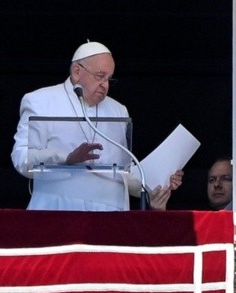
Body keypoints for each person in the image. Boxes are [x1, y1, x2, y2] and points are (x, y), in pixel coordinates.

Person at [11, 41, 181, 211]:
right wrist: (66, 158)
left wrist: (160, 181)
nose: (105, 85)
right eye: (100, 76)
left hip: (112, 215)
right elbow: (22, 158)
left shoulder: (118, 110)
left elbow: (122, 174)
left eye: (109, 79)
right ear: (77, 71)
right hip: (59, 210)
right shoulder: (41, 101)